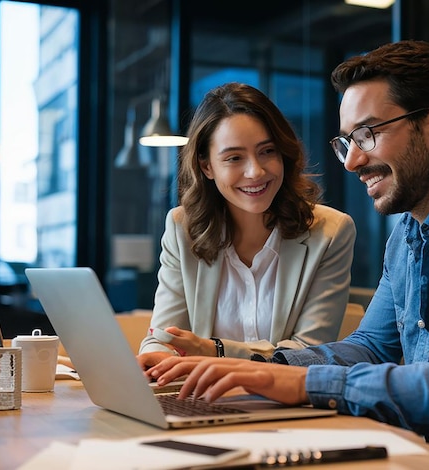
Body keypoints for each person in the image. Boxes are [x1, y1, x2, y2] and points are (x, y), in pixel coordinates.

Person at [145, 41, 429, 468]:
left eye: (367, 135)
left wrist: (295, 382)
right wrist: (255, 367)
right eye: (346, 142)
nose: (352, 161)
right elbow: (370, 347)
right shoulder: (408, 235)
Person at [137, 82, 356, 365]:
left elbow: (309, 353)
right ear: (207, 166)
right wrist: (154, 360)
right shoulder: (182, 228)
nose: (255, 171)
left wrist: (214, 350)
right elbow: (163, 337)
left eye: (267, 151)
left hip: (285, 401)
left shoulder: (330, 233)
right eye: (234, 158)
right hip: (199, 398)